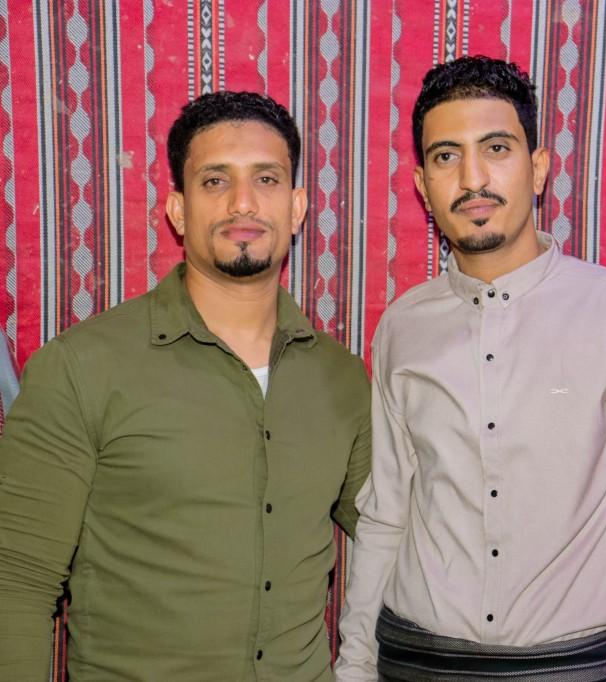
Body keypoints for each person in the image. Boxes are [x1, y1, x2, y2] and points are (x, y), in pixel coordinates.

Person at [335, 55, 606, 681]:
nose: (472, 178)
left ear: (537, 169)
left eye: (496, 148)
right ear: (423, 185)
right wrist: (355, 663)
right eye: (447, 156)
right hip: (414, 656)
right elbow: (386, 509)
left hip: (574, 663)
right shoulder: (403, 325)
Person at [0, 91, 371, 680]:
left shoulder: (342, 379)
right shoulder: (81, 368)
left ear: (298, 207)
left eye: (267, 179)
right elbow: (16, 582)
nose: (243, 201)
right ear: (178, 210)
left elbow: (395, 529)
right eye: (215, 181)